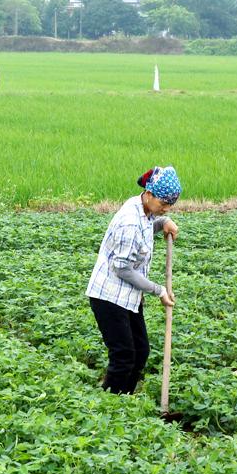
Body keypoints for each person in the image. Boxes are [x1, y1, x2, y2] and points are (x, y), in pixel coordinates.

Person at [85, 166, 181, 395]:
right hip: (109, 296)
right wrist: (158, 290)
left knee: (141, 350)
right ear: (149, 194)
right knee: (124, 355)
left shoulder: (145, 209)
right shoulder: (129, 220)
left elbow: (146, 228)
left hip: (128, 295)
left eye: (170, 205)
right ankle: (110, 406)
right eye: (163, 204)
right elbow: (122, 268)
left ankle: (124, 399)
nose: (166, 208)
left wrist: (162, 221)